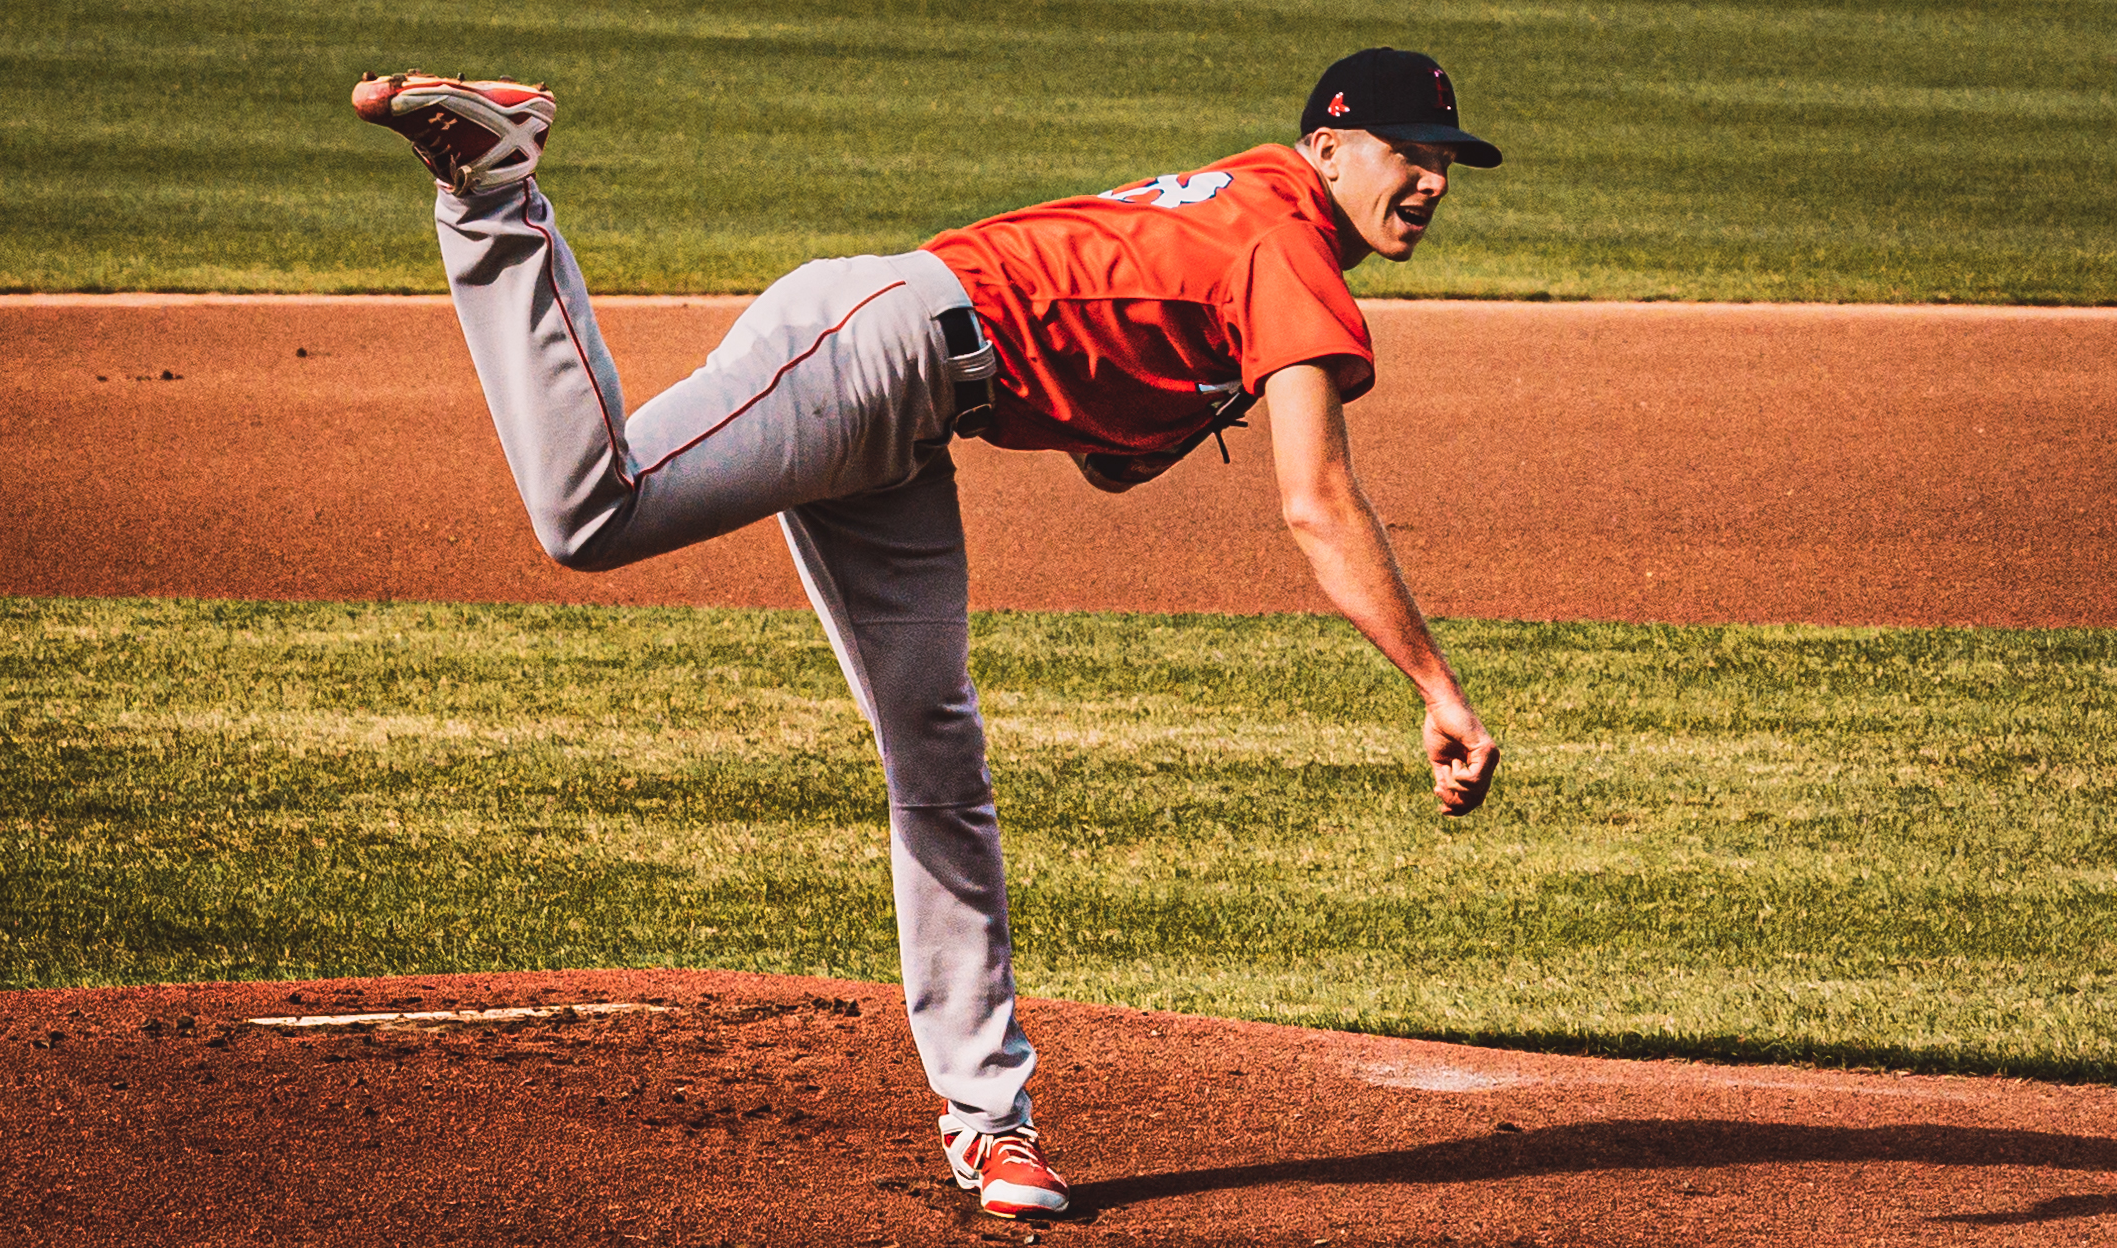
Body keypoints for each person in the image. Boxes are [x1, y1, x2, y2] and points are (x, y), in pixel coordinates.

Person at [352, 46, 1503, 1220]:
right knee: (593, 512)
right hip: (872, 345)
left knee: (937, 759)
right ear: (1326, 149)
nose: (1431, 182)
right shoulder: (1289, 250)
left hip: (909, 419)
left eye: (1445, 161)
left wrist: (1173, 396)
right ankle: (499, 193)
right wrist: (1435, 686)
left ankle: (992, 1125)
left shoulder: (1250, 195)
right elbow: (1316, 503)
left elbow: (1108, 446)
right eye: (1407, 153)